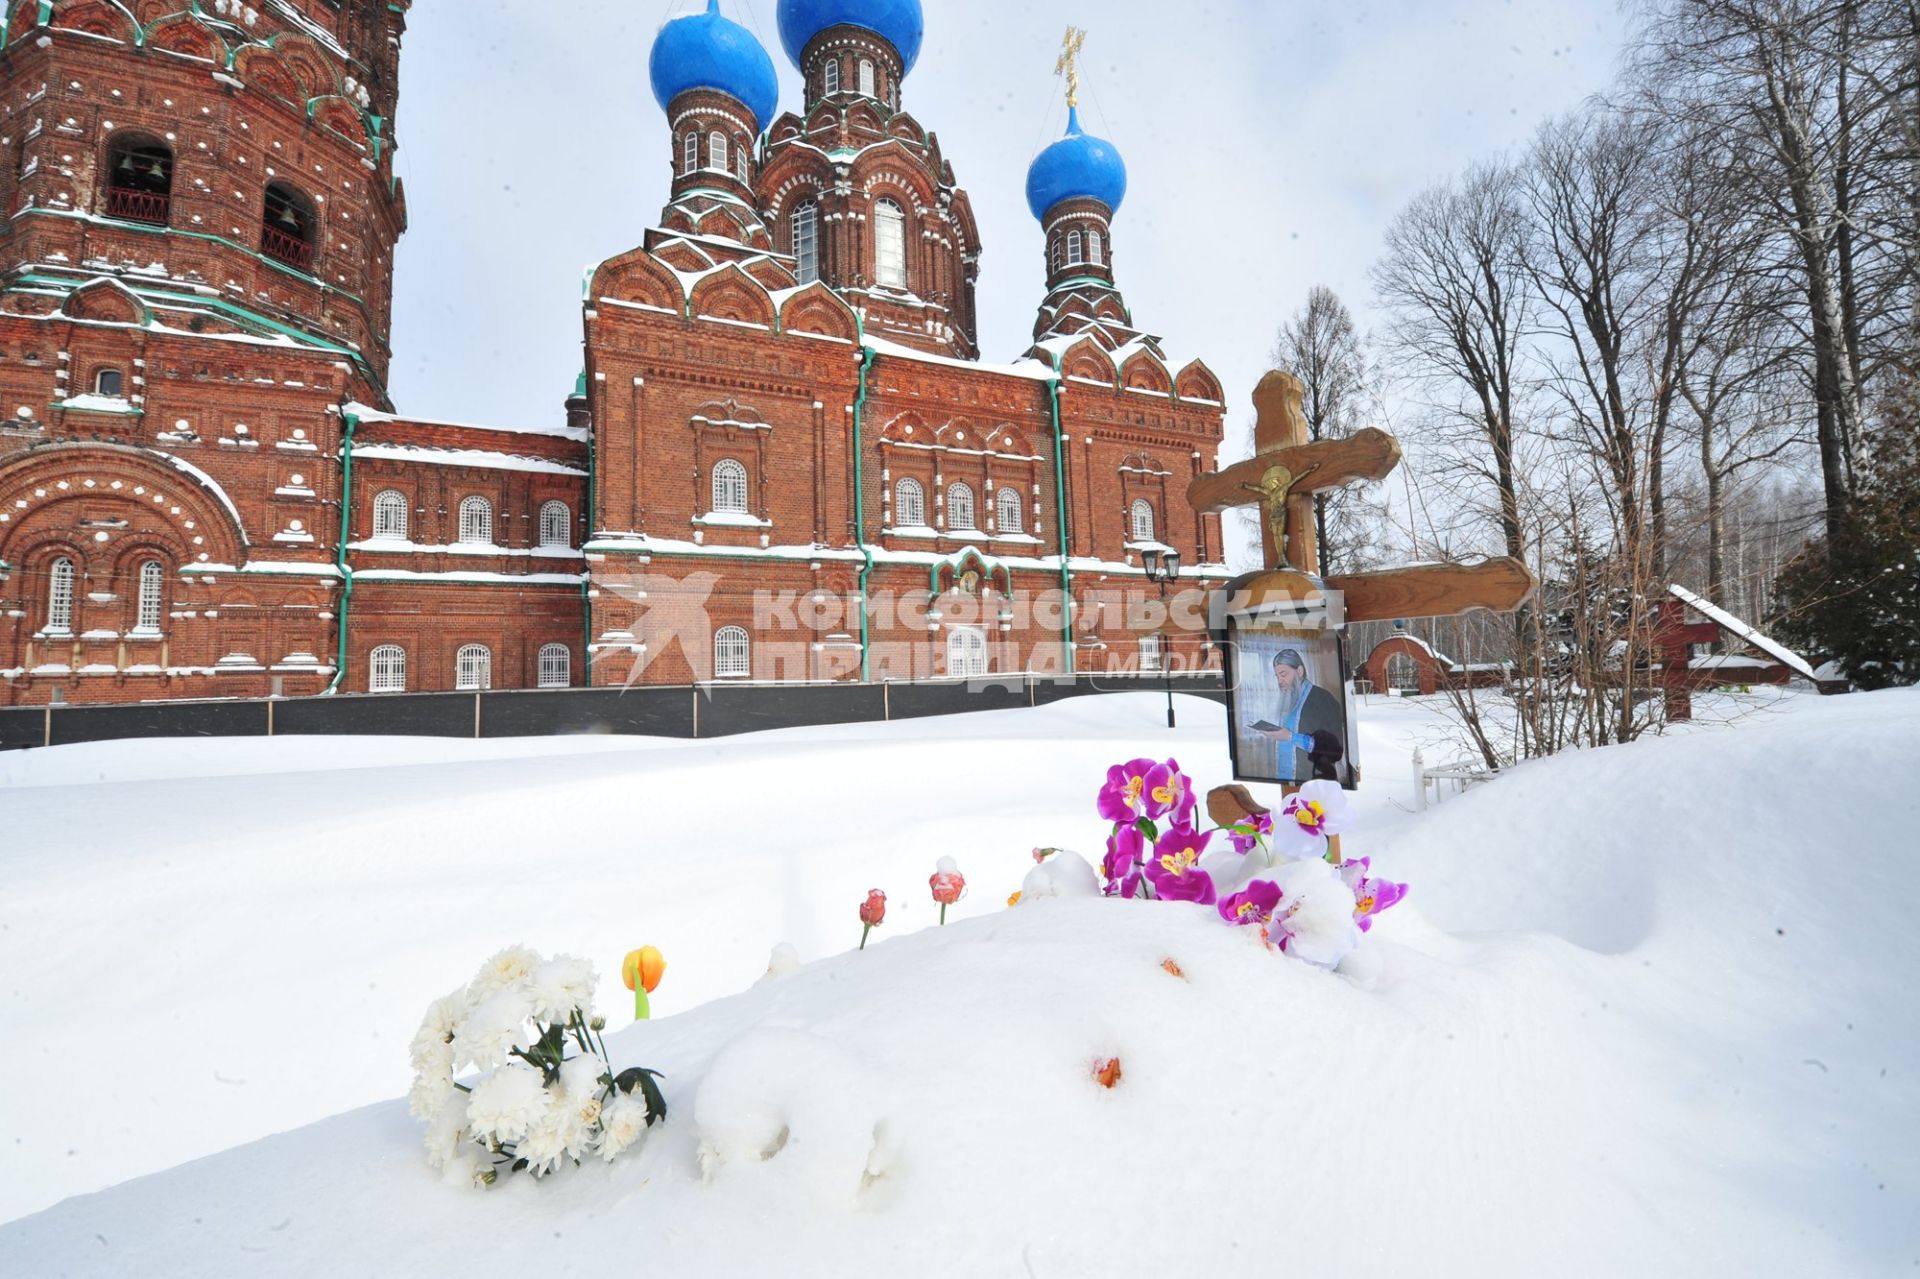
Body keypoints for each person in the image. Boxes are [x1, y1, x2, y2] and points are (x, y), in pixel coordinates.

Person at [1254, 647, 1346, 782]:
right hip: (1287, 782)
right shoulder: (1289, 699)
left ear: (1300, 671)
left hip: (1316, 782)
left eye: (1283, 674)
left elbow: (1334, 750)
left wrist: (1290, 737)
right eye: (1277, 676)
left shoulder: (1323, 699)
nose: (1280, 681)